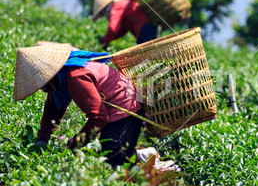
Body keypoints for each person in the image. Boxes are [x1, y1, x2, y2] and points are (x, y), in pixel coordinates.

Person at [13, 43, 178, 170]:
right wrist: (42, 140)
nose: (41, 89)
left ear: (51, 75)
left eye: (42, 84)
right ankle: (142, 155)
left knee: (114, 161)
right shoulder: (60, 80)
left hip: (125, 107)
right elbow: (52, 111)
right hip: (115, 108)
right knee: (110, 154)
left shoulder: (75, 76)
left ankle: (162, 169)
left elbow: (99, 117)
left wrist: (74, 144)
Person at [92, 0, 160, 49]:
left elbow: (112, 29)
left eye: (102, 14)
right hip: (148, 28)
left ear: (104, 9)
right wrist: (107, 39)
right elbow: (122, 30)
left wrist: (105, 41)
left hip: (144, 30)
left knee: (150, 55)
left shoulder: (116, 6)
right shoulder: (123, 2)